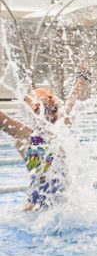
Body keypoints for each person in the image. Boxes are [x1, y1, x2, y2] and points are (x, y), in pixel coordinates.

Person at [0, 68, 91, 211]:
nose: (49, 115)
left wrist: (82, 77)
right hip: (37, 206)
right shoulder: (26, 137)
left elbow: (73, 100)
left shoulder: (60, 127)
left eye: (54, 110)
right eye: (42, 111)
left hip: (63, 203)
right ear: (32, 115)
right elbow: (4, 122)